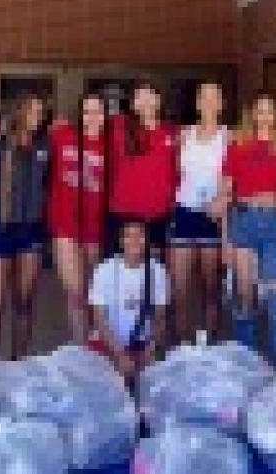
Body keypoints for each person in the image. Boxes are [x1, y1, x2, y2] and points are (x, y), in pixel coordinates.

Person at [215, 94, 276, 363]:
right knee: (245, 295)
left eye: (269, 111)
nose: (264, 116)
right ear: (251, 114)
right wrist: (225, 239)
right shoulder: (237, 145)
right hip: (244, 219)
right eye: (259, 111)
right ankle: (247, 360)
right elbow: (225, 193)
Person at [0, 93, 49, 360]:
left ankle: (19, 363)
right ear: (18, 112)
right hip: (1, 229)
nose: (37, 116)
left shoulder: (46, 144)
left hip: (31, 230)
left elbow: (49, 184)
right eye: (31, 110)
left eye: (41, 111)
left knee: (24, 301)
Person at [168, 81, 228, 343]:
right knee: (180, 289)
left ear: (222, 103)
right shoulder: (184, 135)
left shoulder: (231, 136)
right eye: (204, 97)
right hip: (184, 212)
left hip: (213, 216)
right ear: (197, 103)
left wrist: (224, 199)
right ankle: (184, 348)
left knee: (210, 288)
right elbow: (170, 172)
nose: (209, 102)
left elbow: (238, 176)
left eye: (215, 97)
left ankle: (207, 348)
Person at [48, 92, 109, 343]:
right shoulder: (62, 136)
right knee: (74, 293)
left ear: (105, 115)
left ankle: (96, 345)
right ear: (79, 115)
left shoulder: (112, 145)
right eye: (87, 111)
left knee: (94, 295)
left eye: (97, 111)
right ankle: (80, 348)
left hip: (95, 228)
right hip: (64, 225)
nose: (92, 117)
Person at [88, 219, 169, 382]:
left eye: (140, 235)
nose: (134, 240)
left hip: (142, 344)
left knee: (153, 384)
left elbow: (161, 318)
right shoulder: (104, 270)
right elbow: (99, 319)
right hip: (110, 343)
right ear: (121, 241)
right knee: (110, 387)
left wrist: (150, 349)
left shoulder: (157, 271)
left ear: (147, 240)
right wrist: (119, 353)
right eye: (129, 236)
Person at [107, 80, 177, 257]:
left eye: (149, 95)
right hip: (123, 213)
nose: (145, 100)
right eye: (139, 96)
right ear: (132, 103)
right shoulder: (118, 125)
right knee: (122, 270)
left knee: (153, 272)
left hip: (158, 214)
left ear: (158, 100)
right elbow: (88, 127)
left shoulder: (171, 131)